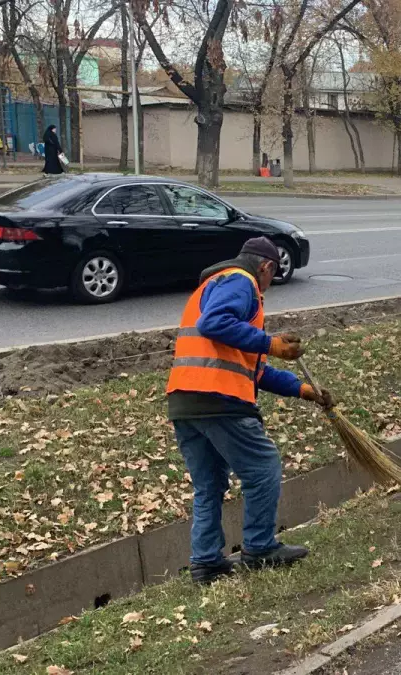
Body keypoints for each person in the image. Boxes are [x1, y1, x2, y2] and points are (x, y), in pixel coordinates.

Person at [166, 237, 335, 584]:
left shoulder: (213, 286)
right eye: (272, 278)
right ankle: (259, 548)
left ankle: (207, 563)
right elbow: (214, 324)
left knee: (209, 485)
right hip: (219, 400)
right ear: (266, 267)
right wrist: (271, 343)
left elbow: (253, 370)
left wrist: (303, 390)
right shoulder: (241, 281)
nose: (268, 288)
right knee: (263, 469)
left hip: (186, 402)